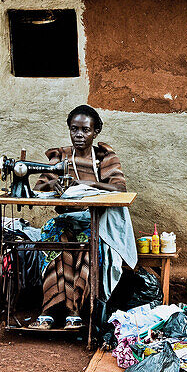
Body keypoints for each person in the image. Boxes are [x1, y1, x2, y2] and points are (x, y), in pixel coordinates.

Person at [30, 104, 126, 330]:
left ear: (95, 132)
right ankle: (49, 310)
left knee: (84, 245)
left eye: (85, 130)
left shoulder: (104, 157)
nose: (79, 135)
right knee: (54, 240)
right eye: (74, 129)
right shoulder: (61, 156)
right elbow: (39, 185)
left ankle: (74, 310)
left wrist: (90, 183)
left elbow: (120, 189)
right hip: (65, 220)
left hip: (93, 220)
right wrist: (52, 183)